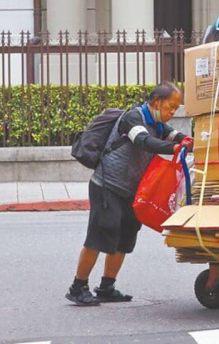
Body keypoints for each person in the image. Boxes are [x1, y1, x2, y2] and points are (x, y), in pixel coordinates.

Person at [66, 82, 193, 306]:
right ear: (156, 101)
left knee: (124, 238)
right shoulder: (133, 118)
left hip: (129, 190)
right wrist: (172, 148)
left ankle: (107, 287)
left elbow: (174, 135)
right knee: (100, 236)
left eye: (175, 109)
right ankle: (78, 286)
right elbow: (143, 141)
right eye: (170, 107)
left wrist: (187, 141)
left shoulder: (159, 125)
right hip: (107, 184)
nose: (172, 112)